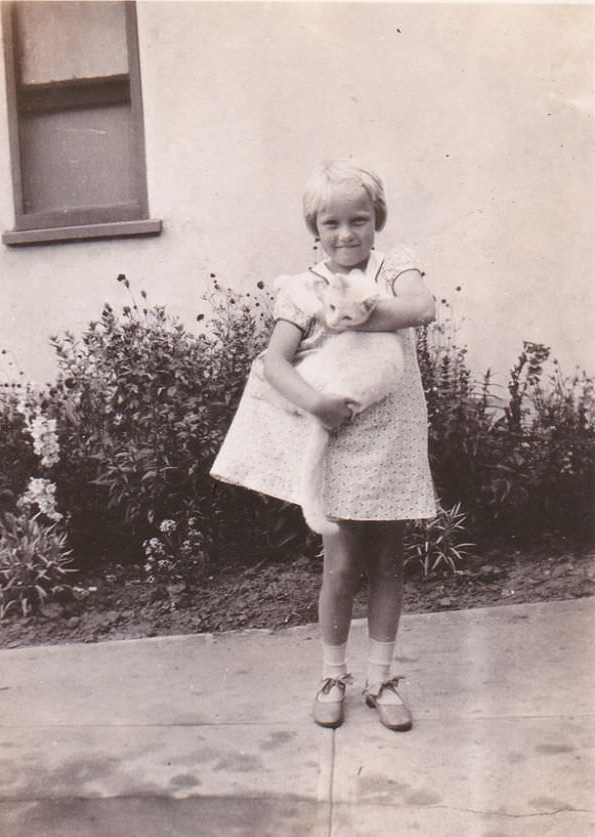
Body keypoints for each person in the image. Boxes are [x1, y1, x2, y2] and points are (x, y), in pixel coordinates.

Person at [210, 159, 436, 730]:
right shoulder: (303, 289)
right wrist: (316, 404)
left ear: (377, 220)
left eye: (359, 220)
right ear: (314, 227)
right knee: (340, 566)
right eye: (332, 223)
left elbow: (422, 308)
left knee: (388, 563)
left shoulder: (394, 268)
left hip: (394, 438)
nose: (346, 235)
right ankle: (333, 674)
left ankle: (380, 679)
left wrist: (353, 312)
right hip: (338, 436)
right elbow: (274, 363)